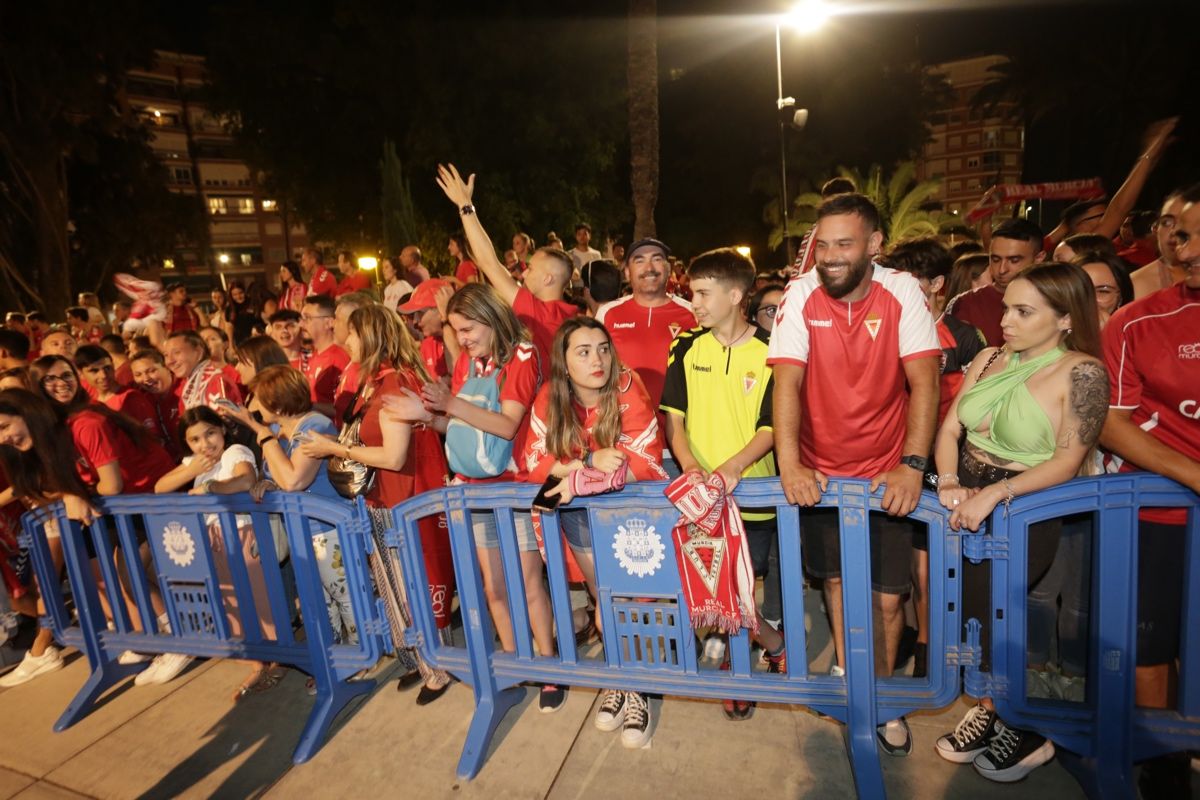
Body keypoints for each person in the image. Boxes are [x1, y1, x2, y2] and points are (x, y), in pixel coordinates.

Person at [768, 193, 941, 756]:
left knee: (889, 599)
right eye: (823, 244)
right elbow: (787, 384)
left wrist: (911, 465)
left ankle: (884, 696)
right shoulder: (800, 293)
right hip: (821, 474)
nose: (831, 255)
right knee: (838, 585)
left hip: (884, 475)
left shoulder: (902, 292)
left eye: (845, 243)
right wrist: (791, 463)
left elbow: (924, 382)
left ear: (875, 245)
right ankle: (849, 676)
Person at [931, 261, 1107, 781]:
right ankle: (990, 712)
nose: (1005, 320)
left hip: (1024, 508)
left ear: (1065, 319)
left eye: (1023, 311)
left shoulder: (1082, 372)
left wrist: (993, 494)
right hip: (961, 501)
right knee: (968, 617)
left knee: (1002, 617)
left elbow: (1066, 461)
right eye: (1008, 306)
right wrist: (946, 482)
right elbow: (949, 432)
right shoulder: (987, 357)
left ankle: (1025, 727)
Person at [385, 283, 557, 705]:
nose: (462, 338)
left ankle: (551, 669)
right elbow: (459, 426)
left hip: (516, 488)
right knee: (494, 586)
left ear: (491, 316)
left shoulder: (523, 355)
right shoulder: (466, 363)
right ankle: (516, 663)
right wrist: (425, 415)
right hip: (474, 491)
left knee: (529, 582)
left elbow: (505, 426)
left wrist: (448, 404)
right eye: (457, 330)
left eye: (468, 328)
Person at [1098, 183, 1200, 798]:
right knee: (1150, 643)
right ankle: (1164, 762)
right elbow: (1112, 422)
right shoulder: (1137, 322)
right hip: (1157, 514)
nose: (1188, 249)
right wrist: (1192, 476)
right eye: (1180, 233)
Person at [522, 317, 669, 743]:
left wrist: (572, 473)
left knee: (622, 605)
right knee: (605, 602)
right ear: (564, 362)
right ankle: (623, 679)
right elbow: (533, 463)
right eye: (583, 351)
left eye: (603, 348)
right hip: (580, 519)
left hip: (628, 518)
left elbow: (646, 461)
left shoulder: (628, 384)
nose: (597, 359)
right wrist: (586, 464)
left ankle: (633, 686)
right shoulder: (550, 395)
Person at [302, 305, 455, 704]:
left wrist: (333, 447)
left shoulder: (391, 385)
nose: (345, 341)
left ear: (369, 336)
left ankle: (436, 668)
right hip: (389, 499)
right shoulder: (380, 381)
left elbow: (393, 457)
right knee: (397, 586)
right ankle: (421, 661)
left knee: (413, 586)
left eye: (350, 334)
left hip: (403, 501)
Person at [661, 247, 787, 722]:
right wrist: (692, 466)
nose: (693, 302)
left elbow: (773, 426)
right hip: (698, 501)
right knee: (713, 589)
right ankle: (761, 650)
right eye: (693, 292)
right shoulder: (686, 346)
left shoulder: (772, 350)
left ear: (735, 295)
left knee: (737, 591)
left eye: (702, 293)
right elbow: (674, 418)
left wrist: (732, 468)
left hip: (752, 499)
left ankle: (757, 653)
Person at [29, 355, 186, 685]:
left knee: (129, 572)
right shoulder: (65, 424)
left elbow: (111, 484)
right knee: (124, 573)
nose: (62, 383)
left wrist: (77, 495)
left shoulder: (87, 421)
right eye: (50, 379)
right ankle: (157, 636)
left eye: (66, 374)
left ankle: (177, 642)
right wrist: (72, 493)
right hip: (131, 505)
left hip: (151, 499)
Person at [883, 238, 985, 677]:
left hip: (940, 466)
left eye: (909, 283)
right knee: (896, 568)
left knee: (927, 570)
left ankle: (929, 648)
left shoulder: (963, 338)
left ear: (937, 284)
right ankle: (907, 634)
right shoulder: (885, 326)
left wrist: (946, 466)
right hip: (889, 460)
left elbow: (968, 412)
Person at [217, 366, 358, 652]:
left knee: (346, 598)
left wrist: (262, 434)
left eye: (257, 398)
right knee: (319, 601)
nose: (252, 405)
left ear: (277, 402)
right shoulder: (280, 433)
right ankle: (335, 659)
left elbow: (294, 479)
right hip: (302, 531)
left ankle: (360, 656)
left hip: (328, 528)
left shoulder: (314, 425)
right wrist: (267, 483)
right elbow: (281, 477)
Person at [153, 407, 280, 701]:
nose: (204, 444)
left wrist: (210, 486)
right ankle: (259, 662)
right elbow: (160, 487)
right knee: (233, 603)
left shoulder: (234, 452)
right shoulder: (196, 463)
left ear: (222, 430)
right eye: (194, 439)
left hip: (241, 534)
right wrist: (192, 471)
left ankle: (279, 659)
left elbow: (245, 481)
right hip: (213, 539)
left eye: (209, 433)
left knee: (261, 602)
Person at [0, 389, 101, 687]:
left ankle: (41, 649)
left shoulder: (61, 437)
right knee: (33, 590)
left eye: (5, 427)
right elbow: (25, 487)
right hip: (48, 522)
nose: (3, 437)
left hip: (66, 521)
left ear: (27, 414)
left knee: (45, 585)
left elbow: (76, 482)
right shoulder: (20, 451)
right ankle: (49, 641)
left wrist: (60, 495)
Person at [436, 164, 578, 365]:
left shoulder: (542, 313)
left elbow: (489, 263)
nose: (525, 271)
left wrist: (465, 205)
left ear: (548, 278)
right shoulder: (568, 314)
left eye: (532, 268)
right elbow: (496, 267)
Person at [595, 239, 697, 413]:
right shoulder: (607, 313)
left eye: (657, 259)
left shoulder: (693, 314)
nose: (649, 268)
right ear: (627, 272)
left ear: (668, 269)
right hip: (624, 426)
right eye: (639, 261)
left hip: (679, 427)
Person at [947, 218, 1046, 347]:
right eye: (995, 259)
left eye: (1014, 260)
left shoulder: (1056, 301)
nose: (1002, 269)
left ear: (1039, 258)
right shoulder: (964, 304)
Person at [73, 345, 160, 442]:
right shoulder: (90, 402)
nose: (103, 375)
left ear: (113, 366)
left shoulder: (131, 398)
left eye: (107, 368)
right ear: (80, 374)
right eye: (94, 371)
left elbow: (153, 439)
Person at [162, 330, 242, 413]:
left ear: (198, 352)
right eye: (166, 355)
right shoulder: (186, 385)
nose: (169, 361)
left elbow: (228, 421)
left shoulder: (217, 381)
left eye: (176, 353)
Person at [1129, 190, 1187, 299]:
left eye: (1185, 221)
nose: (1173, 231)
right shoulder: (1138, 284)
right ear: (1155, 229)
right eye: (1166, 223)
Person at [299, 294, 349, 417]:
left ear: (328, 323)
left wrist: (306, 406)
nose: (301, 325)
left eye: (308, 318)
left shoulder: (339, 359)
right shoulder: (316, 355)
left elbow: (345, 409)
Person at [399, 279, 455, 381]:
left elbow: (458, 375)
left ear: (440, 308)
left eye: (420, 313)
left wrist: (446, 319)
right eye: (413, 315)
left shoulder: (466, 339)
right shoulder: (427, 346)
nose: (415, 321)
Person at [1073, 252, 1135, 325]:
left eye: (1103, 291)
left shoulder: (1132, 331)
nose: (1090, 299)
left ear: (1121, 298)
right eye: (1082, 289)